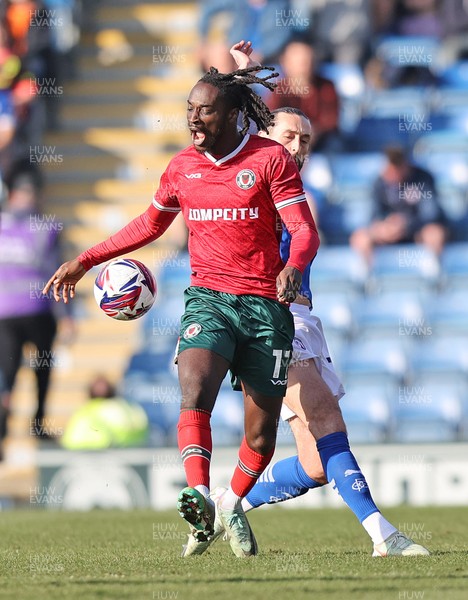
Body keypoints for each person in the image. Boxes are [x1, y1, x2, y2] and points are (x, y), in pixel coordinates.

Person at [44, 64, 320, 558]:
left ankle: (231, 502)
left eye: (205, 110)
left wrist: (294, 266)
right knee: (195, 390)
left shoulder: (270, 159)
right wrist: (85, 260)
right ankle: (197, 494)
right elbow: (149, 226)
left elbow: (304, 230)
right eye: (190, 108)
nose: (194, 118)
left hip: (265, 307)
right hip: (208, 300)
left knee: (260, 433)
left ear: (235, 115)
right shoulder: (181, 168)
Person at [181, 41, 430, 558]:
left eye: (307, 140)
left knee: (316, 465)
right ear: (265, 138)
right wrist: (246, 76)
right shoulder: (252, 176)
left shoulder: (295, 189)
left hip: (304, 318)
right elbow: (246, 132)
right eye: (290, 136)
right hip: (266, 317)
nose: (298, 146)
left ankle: (230, 502)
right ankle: (384, 534)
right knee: (324, 414)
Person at [0, 159, 74, 457]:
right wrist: (67, 316)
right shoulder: (47, 228)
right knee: (33, 373)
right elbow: (58, 272)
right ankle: (37, 426)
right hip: (35, 311)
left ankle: (9, 432)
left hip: (9, 314)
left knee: (9, 375)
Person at [350, 145, 446, 265]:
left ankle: (434, 276)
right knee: (360, 238)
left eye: (395, 170)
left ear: (405, 166)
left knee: (434, 234)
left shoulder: (423, 179)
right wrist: (384, 226)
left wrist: (406, 224)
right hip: (388, 232)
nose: (391, 174)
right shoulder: (379, 182)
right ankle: (369, 278)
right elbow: (372, 215)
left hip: (416, 232)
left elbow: (431, 214)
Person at [265, 36, 342, 152]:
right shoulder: (278, 89)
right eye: (298, 59)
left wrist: (308, 134)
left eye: (307, 59)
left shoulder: (326, 87)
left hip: (320, 147)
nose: (304, 64)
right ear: (285, 61)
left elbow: (330, 122)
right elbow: (270, 120)